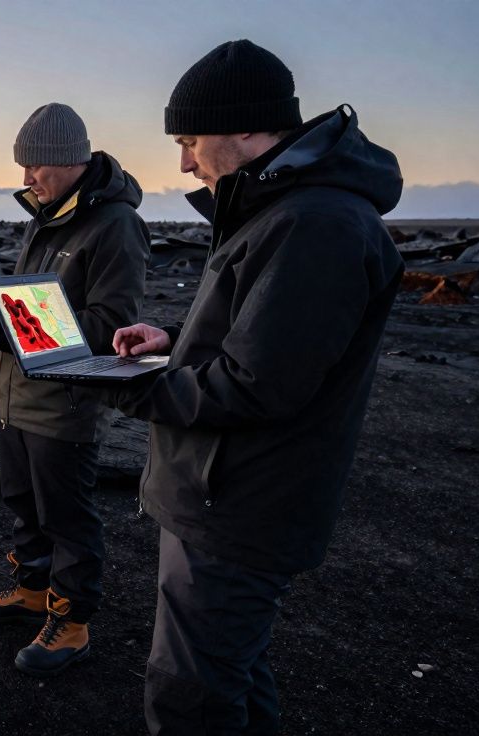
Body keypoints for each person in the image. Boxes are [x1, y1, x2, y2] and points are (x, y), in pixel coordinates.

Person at [110, 40, 405, 734]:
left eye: (189, 140)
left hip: (240, 503)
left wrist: (127, 387)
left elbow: (258, 385)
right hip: (225, 495)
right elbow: (256, 330)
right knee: (229, 678)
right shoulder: (278, 209)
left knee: (190, 698)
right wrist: (173, 342)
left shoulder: (317, 223)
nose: (183, 161)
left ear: (245, 127)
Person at [0, 103, 150, 677]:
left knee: (66, 514)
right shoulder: (45, 217)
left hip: (65, 404)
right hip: (16, 394)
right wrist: (4, 315)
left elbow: (113, 324)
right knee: (23, 503)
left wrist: (22, 320)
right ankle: (31, 589)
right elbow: (34, 302)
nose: (25, 180)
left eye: (34, 168)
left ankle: (70, 621)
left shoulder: (115, 225)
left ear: (68, 160)